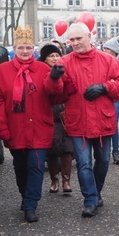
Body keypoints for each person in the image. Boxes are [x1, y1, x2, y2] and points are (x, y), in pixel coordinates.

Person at [45, 22, 119, 218]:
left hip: (102, 120)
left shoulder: (108, 60)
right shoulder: (64, 62)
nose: (75, 43)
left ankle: (96, 191)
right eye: (71, 40)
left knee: (103, 161)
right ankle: (90, 199)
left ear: (89, 37)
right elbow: (55, 96)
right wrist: (54, 79)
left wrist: (105, 87)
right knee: (83, 163)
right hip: (78, 122)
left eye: (78, 39)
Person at [0, 26, 66, 222]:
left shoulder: (42, 69)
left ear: (34, 50)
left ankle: (31, 203)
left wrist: (56, 78)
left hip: (39, 128)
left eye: (29, 48)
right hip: (16, 129)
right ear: (15, 48)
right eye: (21, 47)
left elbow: (53, 93)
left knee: (37, 165)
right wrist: (1, 128)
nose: (25, 51)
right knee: (21, 166)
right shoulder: (2, 71)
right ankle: (25, 194)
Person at [38, 43, 74, 194]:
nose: (54, 58)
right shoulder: (41, 71)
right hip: (50, 115)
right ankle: (54, 180)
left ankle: (66, 180)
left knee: (67, 149)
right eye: (51, 56)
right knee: (52, 150)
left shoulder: (66, 68)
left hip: (65, 114)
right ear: (44, 59)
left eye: (57, 55)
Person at [102, 37, 119, 166]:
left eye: (108, 50)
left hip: (116, 99)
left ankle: (115, 152)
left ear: (115, 52)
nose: (105, 51)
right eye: (104, 49)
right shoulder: (100, 63)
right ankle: (104, 151)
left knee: (113, 124)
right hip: (103, 97)